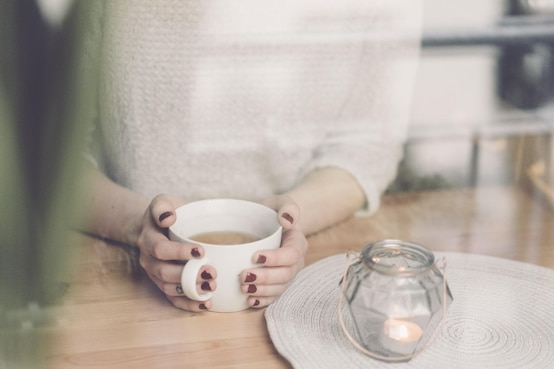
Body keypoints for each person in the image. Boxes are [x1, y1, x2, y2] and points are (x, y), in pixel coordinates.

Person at [80, 0, 422, 312]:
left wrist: (292, 225)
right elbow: (48, 158)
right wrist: (138, 225)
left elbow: (369, 148)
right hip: (112, 283)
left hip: (301, 288)